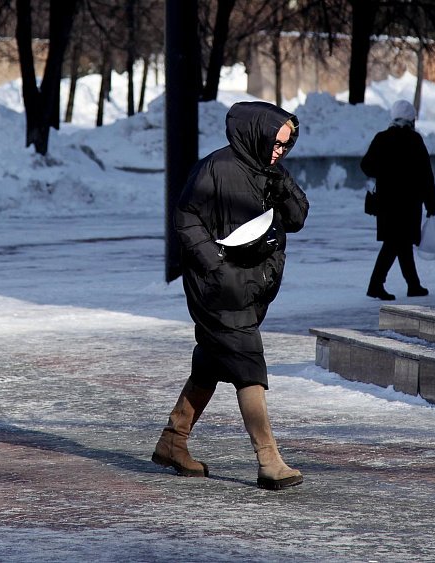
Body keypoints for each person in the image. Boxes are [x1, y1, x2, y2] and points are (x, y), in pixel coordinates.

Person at [152, 101, 309, 491]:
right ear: (258, 132)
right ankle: (269, 460)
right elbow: (185, 218)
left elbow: (298, 219)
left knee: (211, 362)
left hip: (250, 286)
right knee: (247, 363)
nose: (279, 151)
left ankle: (173, 440)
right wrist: (215, 267)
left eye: (285, 146)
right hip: (217, 288)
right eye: (276, 143)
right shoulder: (215, 168)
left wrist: (281, 183)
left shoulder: (269, 169)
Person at [361, 99, 435, 300]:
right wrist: (431, 203)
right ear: (411, 120)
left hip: (387, 203)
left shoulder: (382, 139)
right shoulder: (415, 140)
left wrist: (385, 171)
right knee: (394, 244)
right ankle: (376, 285)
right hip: (409, 204)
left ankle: (413, 285)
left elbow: (366, 166)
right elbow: (426, 175)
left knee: (400, 244)